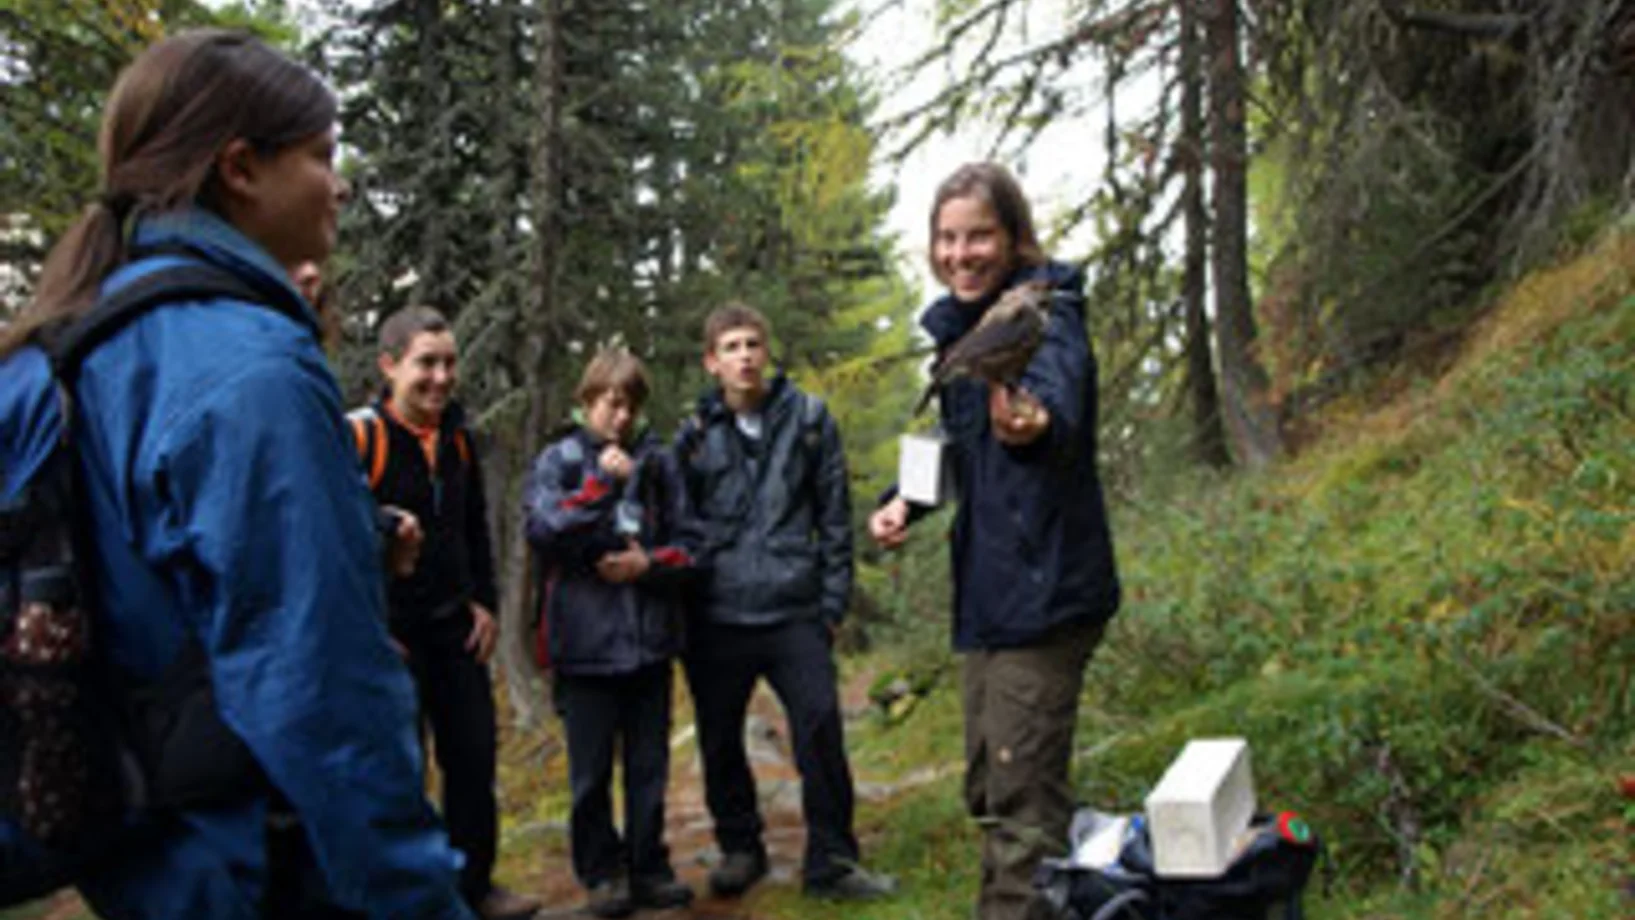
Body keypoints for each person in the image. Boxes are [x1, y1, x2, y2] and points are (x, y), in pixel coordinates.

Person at [0, 29, 475, 918]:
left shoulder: (66, 342)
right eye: (321, 155)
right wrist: (420, 898)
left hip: (143, 860)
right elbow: (324, 691)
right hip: (258, 859)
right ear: (240, 168)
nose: (338, 184)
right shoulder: (249, 369)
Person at [868, 162, 1121, 920]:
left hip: (1045, 592)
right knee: (991, 785)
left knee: (1021, 802)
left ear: (1013, 237)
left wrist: (1035, 424)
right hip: (991, 595)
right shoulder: (962, 330)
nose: (961, 253)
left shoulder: (1047, 313)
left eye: (978, 236)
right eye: (947, 238)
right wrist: (903, 502)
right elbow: (959, 446)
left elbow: (1055, 403)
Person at [673, 303, 897, 902]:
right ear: (712, 362)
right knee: (719, 738)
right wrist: (685, 607)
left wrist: (831, 605)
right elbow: (679, 526)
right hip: (717, 613)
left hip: (795, 608)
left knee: (820, 727)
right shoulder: (694, 436)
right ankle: (740, 848)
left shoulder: (810, 420)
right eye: (731, 347)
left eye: (752, 344)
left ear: (766, 352)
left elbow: (835, 517)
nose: (744, 356)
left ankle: (832, 862)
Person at [350, 306, 541, 920]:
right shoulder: (361, 438)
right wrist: (368, 624)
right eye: (425, 363)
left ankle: (475, 889)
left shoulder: (457, 438)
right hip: (391, 638)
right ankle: (412, 902)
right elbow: (327, 528)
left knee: (472, 761)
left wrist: (484, 602)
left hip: (455, 630)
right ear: (389, 366)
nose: (440, 377)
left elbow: (474, 526)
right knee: (400, 775)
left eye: (449, 363)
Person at [523, 349, 696, 918]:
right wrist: (600, 484)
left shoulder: (659, 461)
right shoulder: (560, 459)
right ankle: (601, 874)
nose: (621, 417)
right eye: (610, 404)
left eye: (631, 406)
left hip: (649, 644)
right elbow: (544, 528)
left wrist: (650, 565)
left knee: (649, 769)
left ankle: (649, 868)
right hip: (584, 647)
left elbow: (692, 545)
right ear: (587, 400)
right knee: (590, 775)